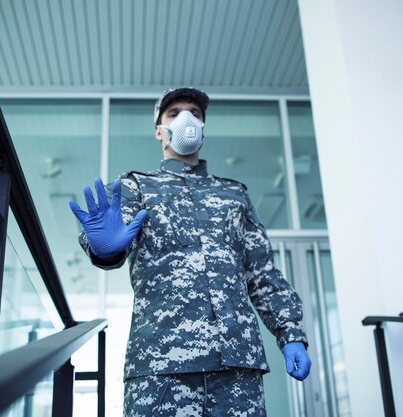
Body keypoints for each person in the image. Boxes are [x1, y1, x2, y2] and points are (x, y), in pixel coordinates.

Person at [70, 88, 311, 416]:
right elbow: (109, 241)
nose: (187, 119)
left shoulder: (234, 194)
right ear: (159, 130)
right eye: (174, 113)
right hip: (161, 366)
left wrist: (290, 332)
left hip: (237, 369)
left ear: (203, 126)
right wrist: (103, 249)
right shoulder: (135, 188)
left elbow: (261, 272)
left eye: (195, 113)